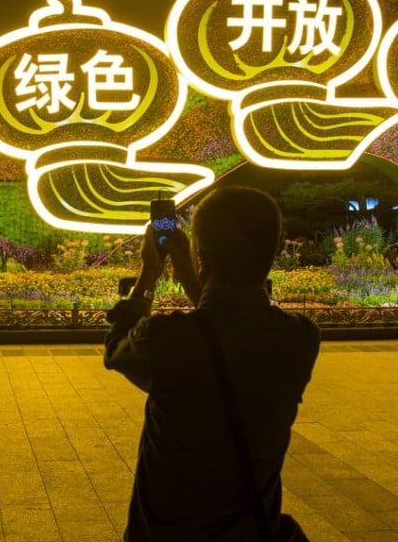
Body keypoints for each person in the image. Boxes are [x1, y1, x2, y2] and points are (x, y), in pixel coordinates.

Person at [104, 186, 320, 541]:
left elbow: (115, 348)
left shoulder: (166, 338)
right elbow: (228, 324)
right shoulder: (299, 338)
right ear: (275, 251)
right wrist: (196, 275)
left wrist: (149, 274)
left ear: (201, 256)